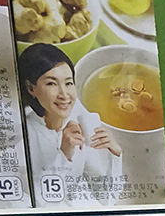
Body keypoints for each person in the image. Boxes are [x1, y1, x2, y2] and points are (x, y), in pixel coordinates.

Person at [18, 43, 121, 206]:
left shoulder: (81, 120)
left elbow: (105, 198)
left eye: (68, 83)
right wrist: (64, 154)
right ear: (31, 88)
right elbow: (36, 203)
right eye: (51, 83)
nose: (64, 94)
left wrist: (114, 155)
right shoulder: (23, 134)